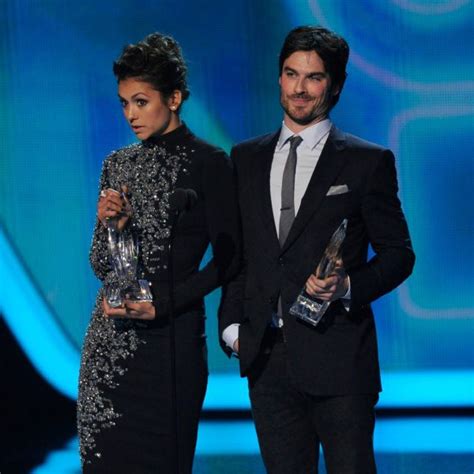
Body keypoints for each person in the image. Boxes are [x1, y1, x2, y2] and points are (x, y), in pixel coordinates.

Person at [219, 26, 415, 474]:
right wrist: (233, 328)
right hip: (267, 359)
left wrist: (347, 285)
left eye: (313, 78)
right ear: (279, 77)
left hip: (340, 359)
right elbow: (240, 254)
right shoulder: (245, 159)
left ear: (336, 85)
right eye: (291, 74)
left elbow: (399, 254)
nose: (300, 89)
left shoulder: (367, 162)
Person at [77, 32, 240, 473]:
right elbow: (100, 264)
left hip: (170, 346)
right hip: (110, 350)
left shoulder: (210, 164)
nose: (130, 114)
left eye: (141, 102)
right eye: (124, 103)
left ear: (175, 98)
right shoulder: (118, 163)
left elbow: (231, 260)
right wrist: (113, 228)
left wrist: (164, 304)